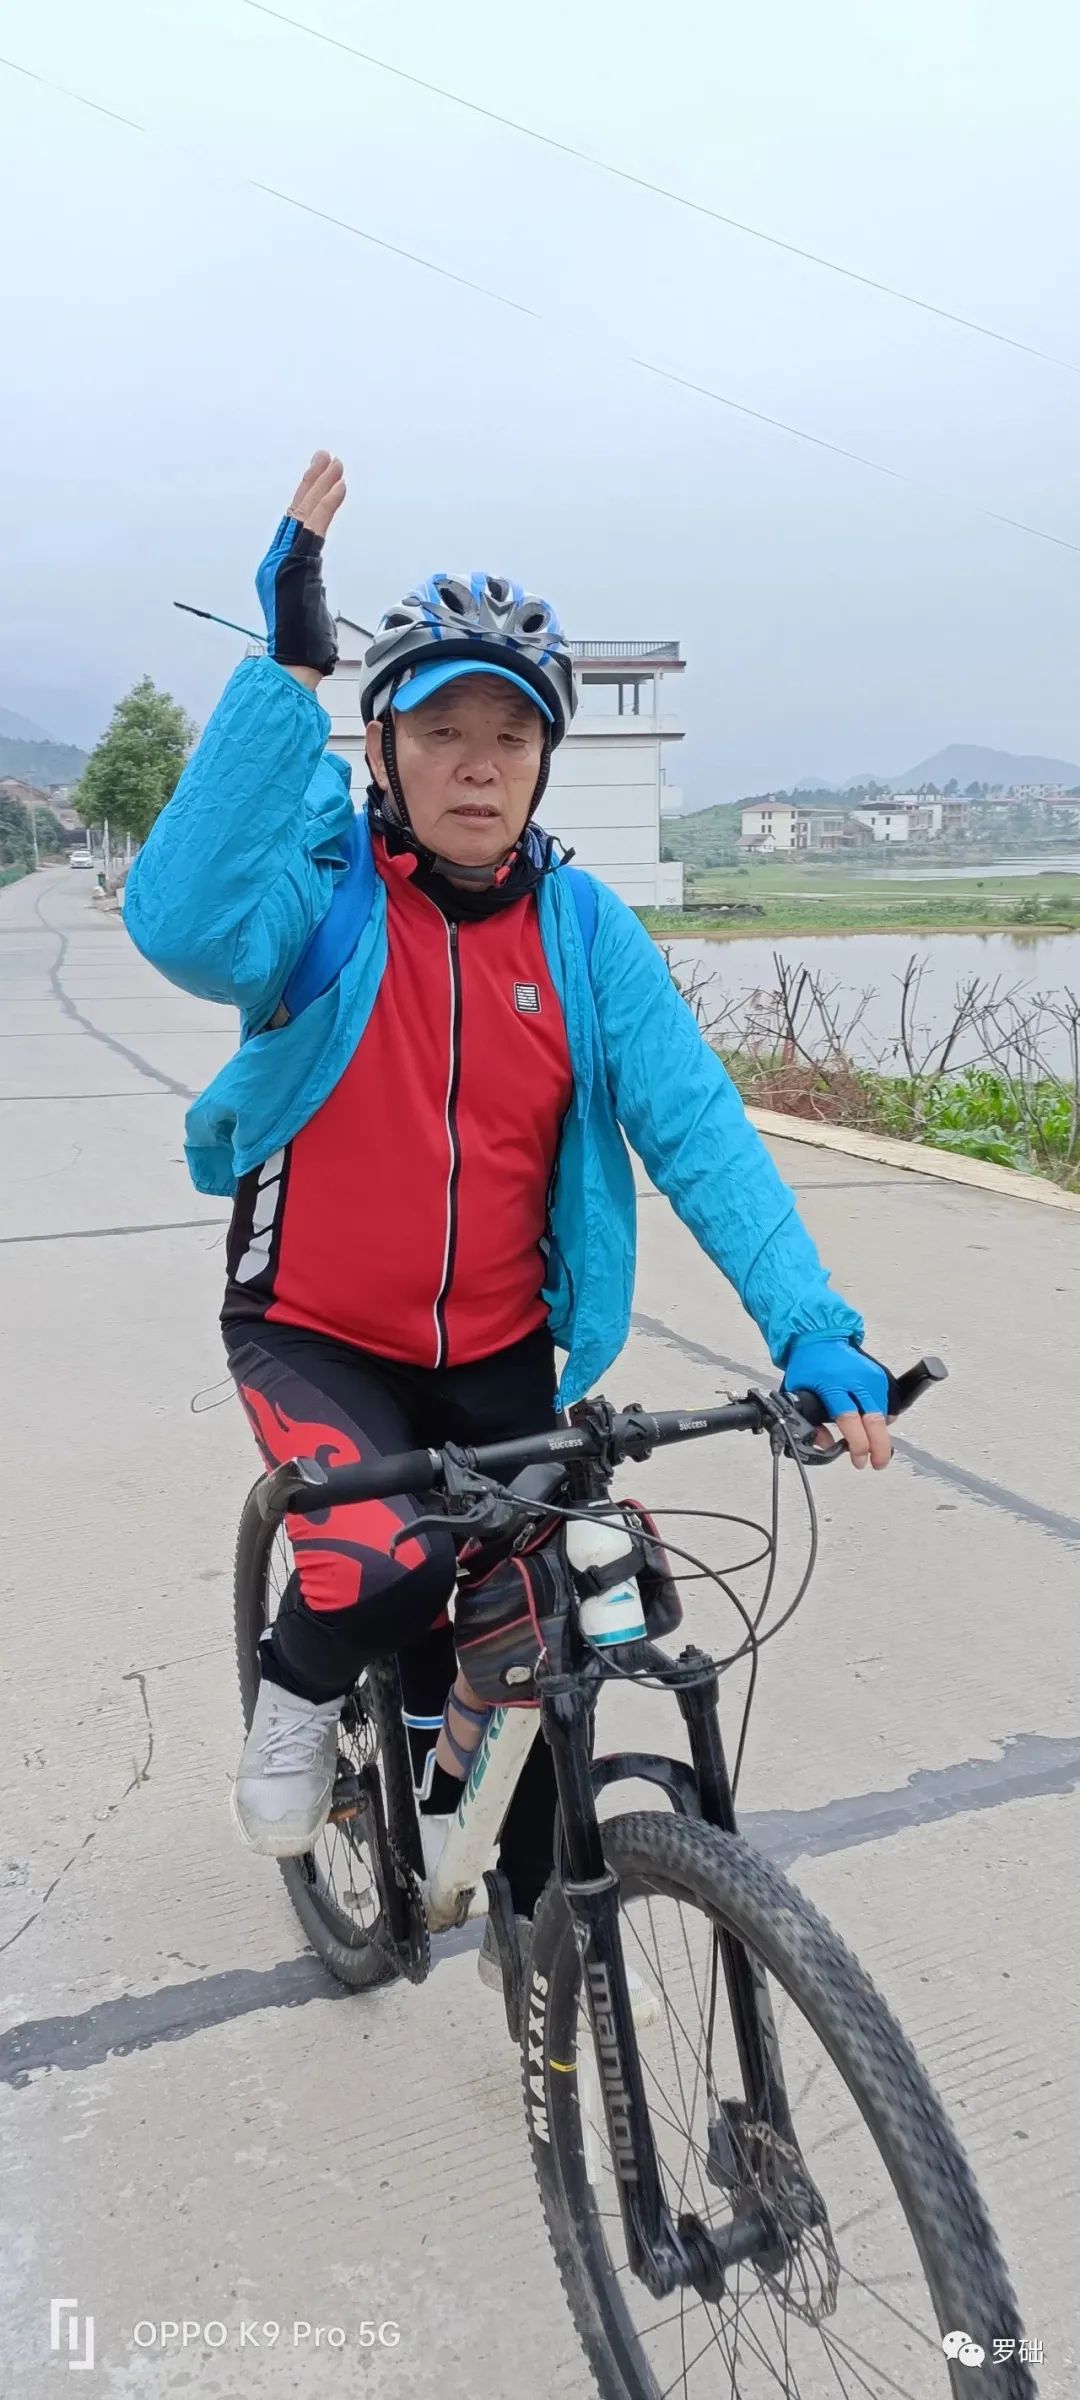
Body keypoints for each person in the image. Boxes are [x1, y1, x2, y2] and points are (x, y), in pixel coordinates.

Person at [125, 450, 892, 1981]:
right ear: (385, 747)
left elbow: (702, 1136)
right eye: (440, 730)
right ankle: (293, 1704)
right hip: (314, 1330)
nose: (477, 764)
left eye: (509, 735)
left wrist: (814, 1329)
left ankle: (538, 1924)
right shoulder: (323, 897)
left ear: (544, 762)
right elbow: (180, 918)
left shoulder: (585, 931)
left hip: (501, 1346)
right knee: (382, 1561)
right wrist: (284, 674)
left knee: (565, 1611)